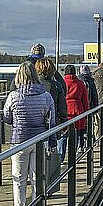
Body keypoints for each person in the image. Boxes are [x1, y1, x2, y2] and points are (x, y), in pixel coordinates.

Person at [3, 61, 56, 206]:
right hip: (40, 140)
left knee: (19, 179)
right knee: (37, 178)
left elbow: (6, 117)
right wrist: (52, 141)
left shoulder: (13, 96)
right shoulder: (46, 96)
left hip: (19, 140)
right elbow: (51, 121)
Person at [35, 58, 67, 193]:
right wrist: (64, 121)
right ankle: (48, 184)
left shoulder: (34, 85)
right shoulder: (56, 85)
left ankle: (37, 182)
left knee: (35, 154)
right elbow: (62, 106)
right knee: (50, 151)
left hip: (35, 123)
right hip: (51, 124)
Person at [64, 64, 90, 152]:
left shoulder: (62, 82)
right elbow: (85, 100)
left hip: (66, 108)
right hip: (78, 107)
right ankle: (80, 146)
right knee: (79, 130)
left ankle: (62, 154)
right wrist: (86, 112)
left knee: (65, 132)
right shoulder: (80, 83)